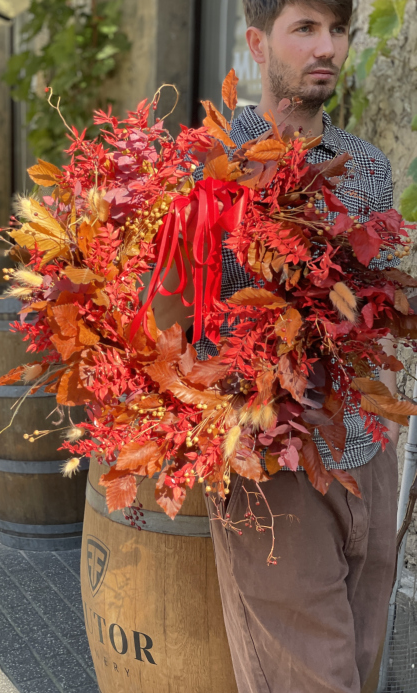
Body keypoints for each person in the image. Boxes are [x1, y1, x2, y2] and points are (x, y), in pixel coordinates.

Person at [151, 1, 399, 691]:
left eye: (337, 30)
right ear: (258, 42)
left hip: (367, 453)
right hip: (272, 463)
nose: (327, 47)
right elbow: (167, 319)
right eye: (305, 29)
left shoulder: (368, 169)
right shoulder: (212, 161)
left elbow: (376, 310)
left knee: (359, 666)